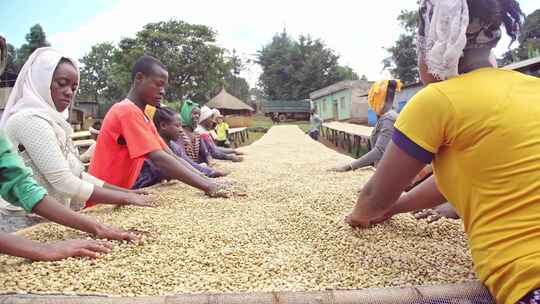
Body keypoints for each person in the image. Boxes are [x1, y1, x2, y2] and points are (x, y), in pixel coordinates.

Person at [345, 1, 539, 303]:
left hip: (529, 278)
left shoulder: (437, 100)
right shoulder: (532, 88)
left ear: (434, 46)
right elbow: (472, 174)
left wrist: (360, 216)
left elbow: (373, 198)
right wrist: (396, 208)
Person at [0, 48, 152, 216]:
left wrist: (127, 193)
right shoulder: (29, 120)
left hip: (52, 217)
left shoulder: (54, 123)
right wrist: (124, 198)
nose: (69, 92)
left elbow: (78, 175)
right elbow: (64, 182)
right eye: (62, 83)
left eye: (73, 87)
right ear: (41, 81)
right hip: (21, 220)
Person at [88, 55, 227, 207]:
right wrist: (208, 187)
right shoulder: (126, 111)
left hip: (119, 196)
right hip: (101, 200)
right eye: (158, 85)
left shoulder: (144, 116)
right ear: (139, 78)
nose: (162, 92)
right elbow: (159, 159)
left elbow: (170, 155)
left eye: (164, 87)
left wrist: (206, 178)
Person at [133, 107, 229, 188]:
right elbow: (168, 168)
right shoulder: (150, 148)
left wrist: (208, 174)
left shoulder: (174, 147)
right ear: (163, 126)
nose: (180, 130)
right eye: (177, 126)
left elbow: (188, 163)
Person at [331, 80, 400, 172]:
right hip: (383, 171)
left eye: (371, 100)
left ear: (377, 100)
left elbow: (379, 151)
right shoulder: (386, 117)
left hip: (389, 173)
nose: (370, 104)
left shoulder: (389, 118)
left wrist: (349, 166)